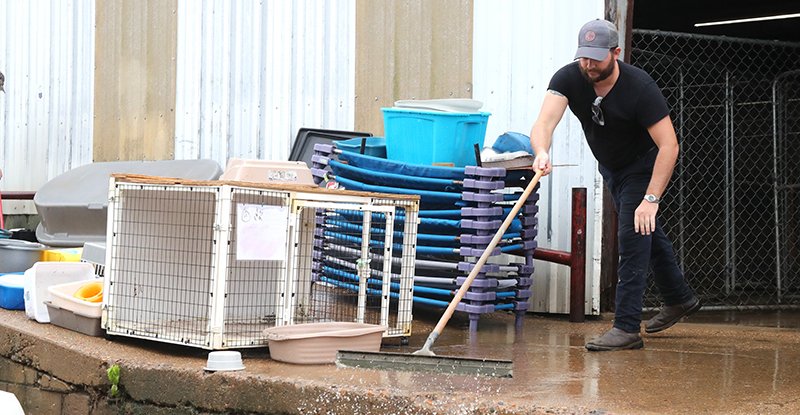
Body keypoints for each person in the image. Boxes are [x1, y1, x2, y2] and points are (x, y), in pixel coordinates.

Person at [530, 19, 701, 351]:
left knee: (633, 233)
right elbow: (545, 121)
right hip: (611, 167)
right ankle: (680, 298)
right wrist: (541, 151)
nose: (588, 65)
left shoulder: (640, 87)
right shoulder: (569, 77)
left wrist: (651, 197)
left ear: (616, 53)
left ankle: (625, 328)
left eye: (596, 58)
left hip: (643, 166)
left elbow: (669, 145)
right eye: (584, 57)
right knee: (647, 228)